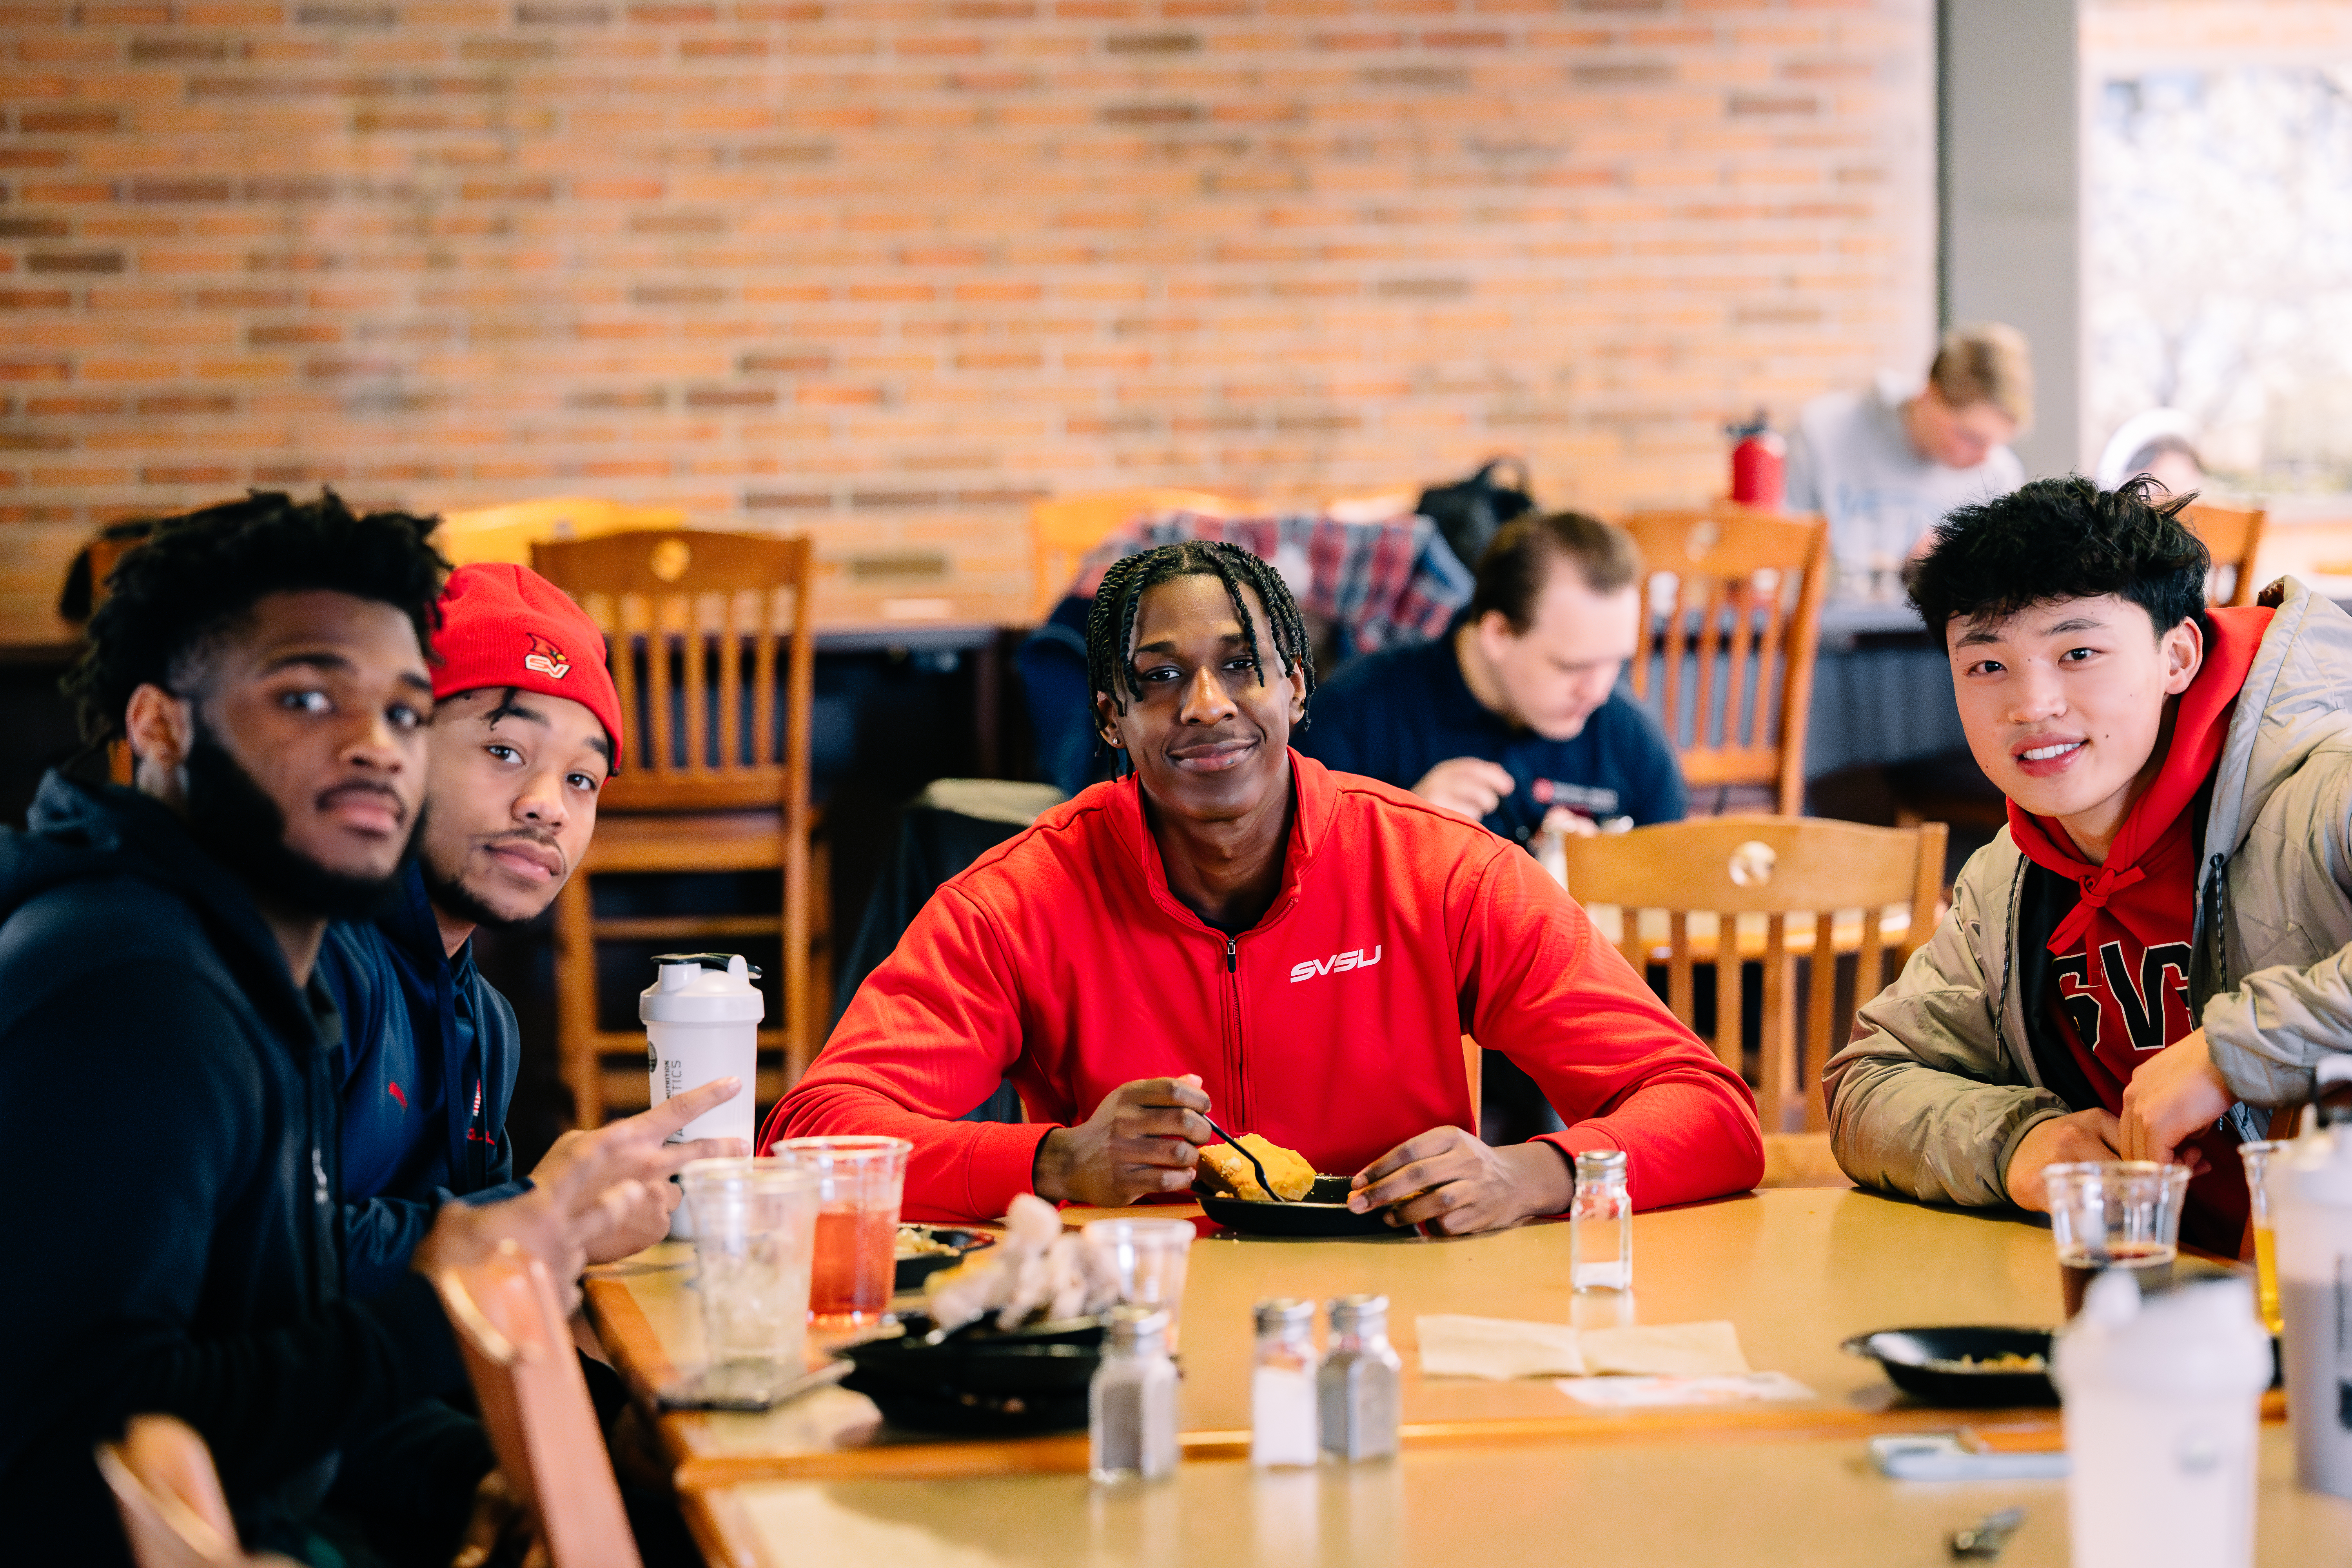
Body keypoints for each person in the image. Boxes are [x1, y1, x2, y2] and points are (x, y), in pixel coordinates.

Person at [0, 494, 662, 1567]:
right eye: (309, 696)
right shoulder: (133, 985)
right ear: (160, 725)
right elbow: (79, 1454)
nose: (375, 750)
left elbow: (281, 1383)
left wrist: (474, 1485)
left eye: (405, 714)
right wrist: (455, 1291)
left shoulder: (259, 971)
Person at [765, 541, 1762, 1230]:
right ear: (1109, 716)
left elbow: (1708, 1112)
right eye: (1158, 677)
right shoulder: (1020, 898)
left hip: (1410, 1315)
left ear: (1295, 686)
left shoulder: (1444, 870)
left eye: (1242, 665)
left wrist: (1529, 1173)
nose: (1205, 705)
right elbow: (814, 1132)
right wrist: (1053, 1160)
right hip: (1142, 1328)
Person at [1823, 476, 2352, 1254]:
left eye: (2079, 652)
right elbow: (1869, 1085)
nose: (2032, 704)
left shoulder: (2324, 790)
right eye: (1987, 666)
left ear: (2178, 655)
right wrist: (2018, 1145)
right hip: (2147, 1312)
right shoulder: (2008, 879)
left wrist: (2232, 1046)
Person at [324, 563, 743, 1298]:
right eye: (506, 752)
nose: (547, 805)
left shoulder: (490, 1023)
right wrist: (543, 1214)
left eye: (581, 779)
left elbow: (491, 1294)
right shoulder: (314, 966)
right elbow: (270, 1260)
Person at [1296, 510, 1684, 847]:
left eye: (1616, 662)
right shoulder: (1353, 714)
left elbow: (1676, 897)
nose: (1599, 691)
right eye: (1571, 667)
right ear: (1498, 634)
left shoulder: (1631, 739)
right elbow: (1291, 896)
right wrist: (1398, 838)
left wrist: (1607, 877)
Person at [1784, 323, 2031, 600]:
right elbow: (1774, 557)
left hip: (1938, 641)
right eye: (1970, 437)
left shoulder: (1999, 473)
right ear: (1929, 394)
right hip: (1822, 635)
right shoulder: (1824, 430)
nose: (1983, 457)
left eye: (1995, 444)